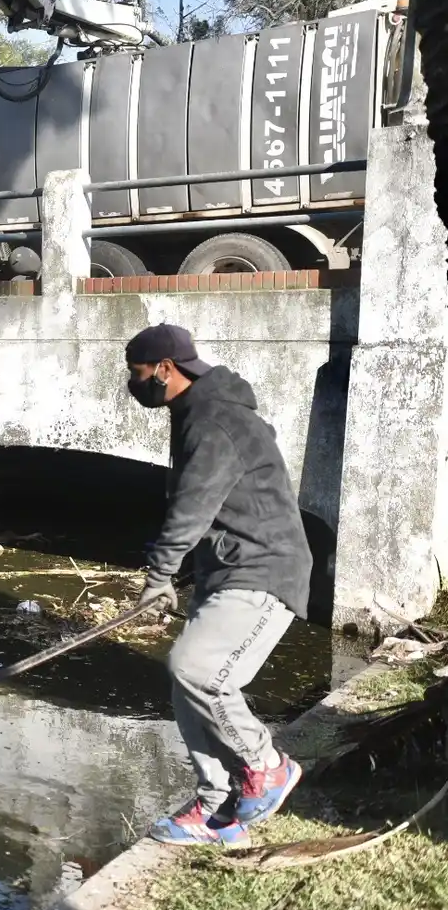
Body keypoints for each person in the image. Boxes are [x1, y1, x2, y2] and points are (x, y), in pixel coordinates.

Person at [125, 323, 310, 848]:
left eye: (137, 374)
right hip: (226, 568)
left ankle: (266, 767)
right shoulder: (194, 412)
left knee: (198, 671)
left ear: (165, 369)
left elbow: (192, 507)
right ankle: (215, 807)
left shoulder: (215, 420)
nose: (133, 385)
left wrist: (159, 575)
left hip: (264, 568)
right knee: (185, 682)